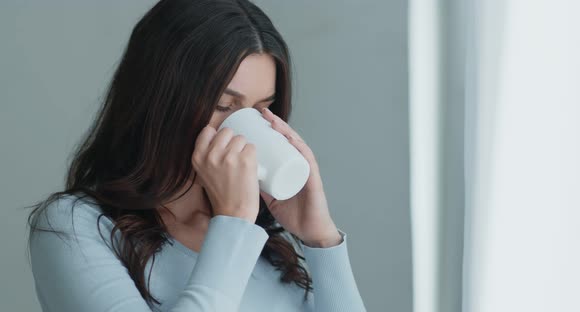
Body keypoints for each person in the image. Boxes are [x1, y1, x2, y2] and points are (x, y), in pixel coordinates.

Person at [26, 0, 366, 311]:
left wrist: (322, 242)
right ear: (159, 99)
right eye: (223, 105)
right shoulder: (75, 225)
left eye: (262, 108)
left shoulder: (264, 243)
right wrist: (232, 224)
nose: (244, 129)